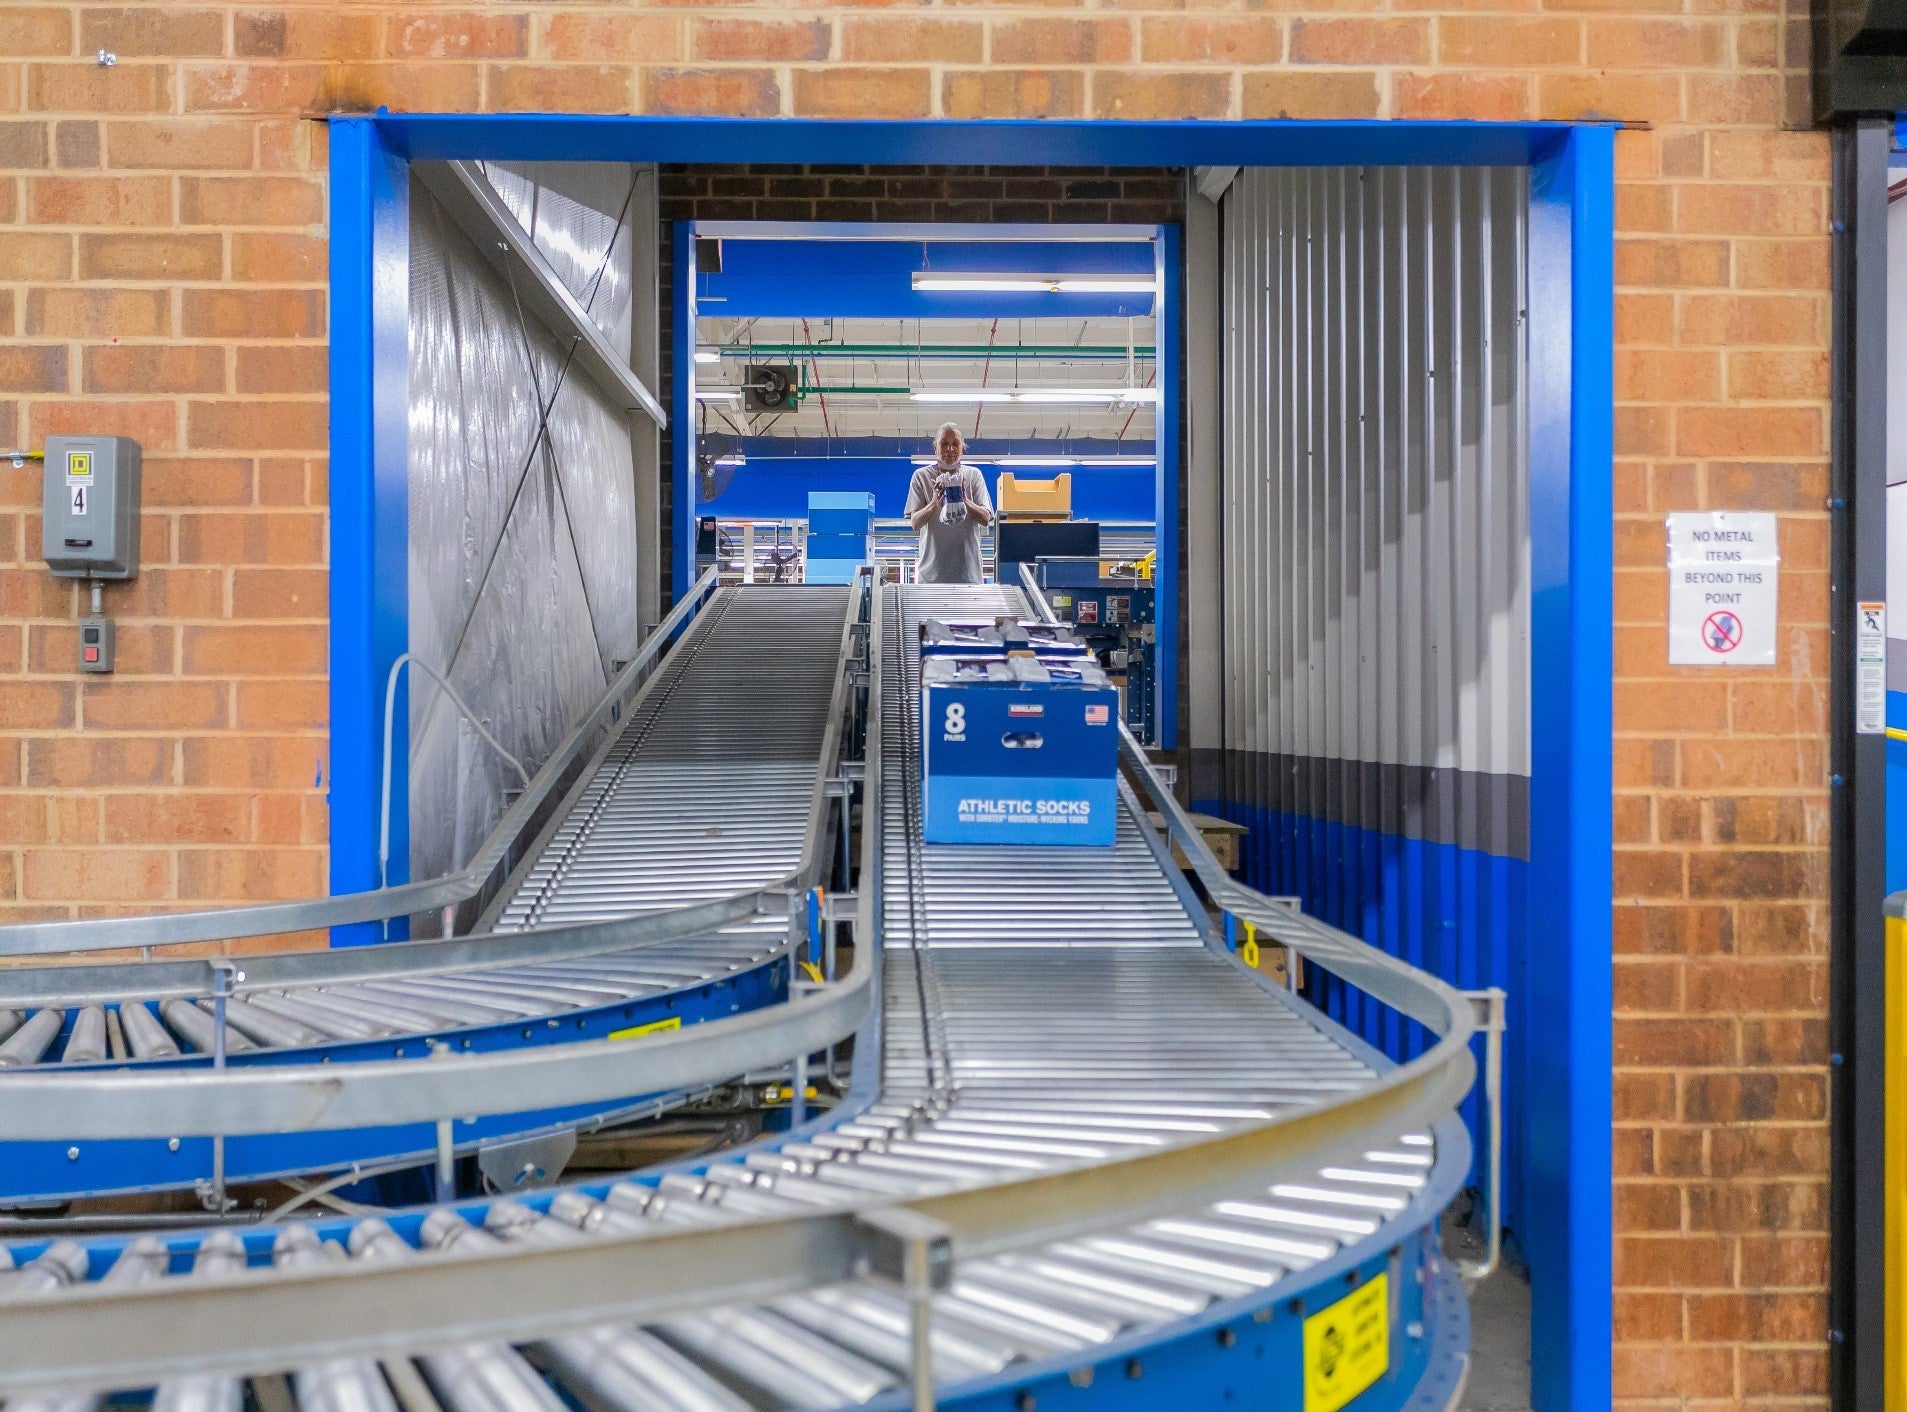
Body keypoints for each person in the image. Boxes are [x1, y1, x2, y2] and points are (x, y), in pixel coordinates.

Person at [904, 422, 994, 585]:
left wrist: (964, 499)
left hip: (968, 576)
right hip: (931, 578)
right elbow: (915, 523)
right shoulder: (921, 476)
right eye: (944, 443)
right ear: (935, 447)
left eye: (955, 444)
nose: (950, 449)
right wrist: (933, 503)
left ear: (963, 448)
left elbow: (985, 518)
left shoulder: (974, 476)